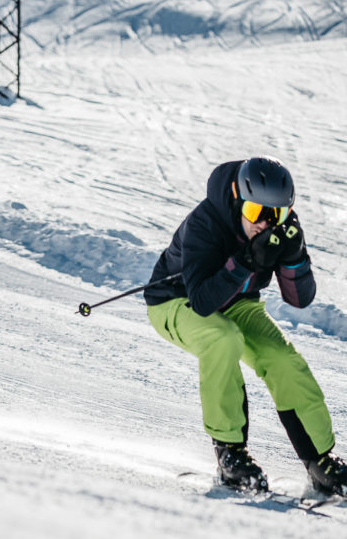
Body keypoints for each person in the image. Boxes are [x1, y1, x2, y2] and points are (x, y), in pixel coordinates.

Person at [144, 156, 347, 496]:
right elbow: (203, 301)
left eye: (276, 214)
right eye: (255, 212)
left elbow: (300, 299)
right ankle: (230, 455)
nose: (265, 224)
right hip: (175, 301)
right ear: (238, 199)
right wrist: (246, 260)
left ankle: (319, 461)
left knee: (282, 359)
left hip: (238, 301)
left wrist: (294, 257)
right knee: (223, 338)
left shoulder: (280, 228)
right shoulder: (204, 223)